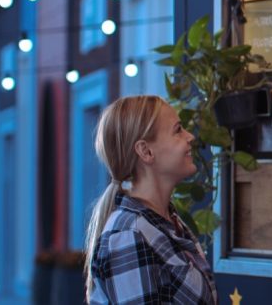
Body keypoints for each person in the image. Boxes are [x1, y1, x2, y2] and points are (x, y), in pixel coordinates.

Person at [85, 95, 217, 304]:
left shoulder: (165, 221)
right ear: (145, 151)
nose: (190, 136)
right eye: (178, 130)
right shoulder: (129, 234)